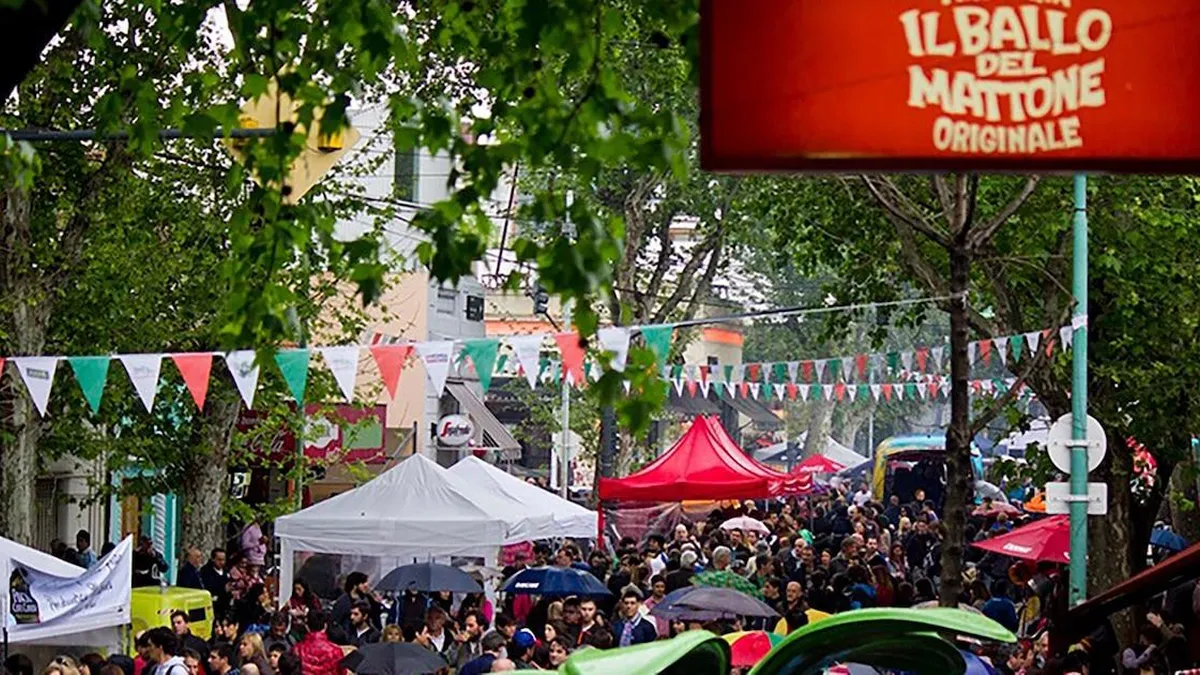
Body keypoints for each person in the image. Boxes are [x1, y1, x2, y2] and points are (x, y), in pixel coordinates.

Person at [201, 549, 232, 618]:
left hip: (225, 605)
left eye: (223, 560)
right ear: (213, 559)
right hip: (213, 605)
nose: (222, 562)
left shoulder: (226, 570)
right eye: (219, 560)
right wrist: (223, 588)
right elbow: (208, 587)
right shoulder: (206, 571)